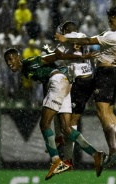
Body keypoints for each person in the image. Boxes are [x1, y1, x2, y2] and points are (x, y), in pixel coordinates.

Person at [4, 48, 106, 180]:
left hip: (57, 82)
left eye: (11, 59)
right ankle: (96, 155)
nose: (9, 63)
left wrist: (82, 55)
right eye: (7, 61)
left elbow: (55, 56)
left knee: (44, 124)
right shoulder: (26, 71)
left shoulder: (29, 63)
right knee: (67, 129)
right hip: (63, 83)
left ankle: (56, 160)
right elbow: (46, 79)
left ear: (18, 57)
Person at [54, 6, 116, 167]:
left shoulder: (113, 36)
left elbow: (89, 41)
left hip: (104, 73)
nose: (109, 23)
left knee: (100, 111)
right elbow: (91, 39)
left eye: (111, 21)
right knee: (109, 111)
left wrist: (66, 40)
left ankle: (113, 150)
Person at [44, 21, 98, 170]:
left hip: (78, 82)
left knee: (58, 110)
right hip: (88, 81)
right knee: (71, 121)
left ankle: (64, 150)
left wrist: (46, 56)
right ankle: (67, 157)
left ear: (65, 31)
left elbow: (56, 56)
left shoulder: (66, 38)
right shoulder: (83, 36)